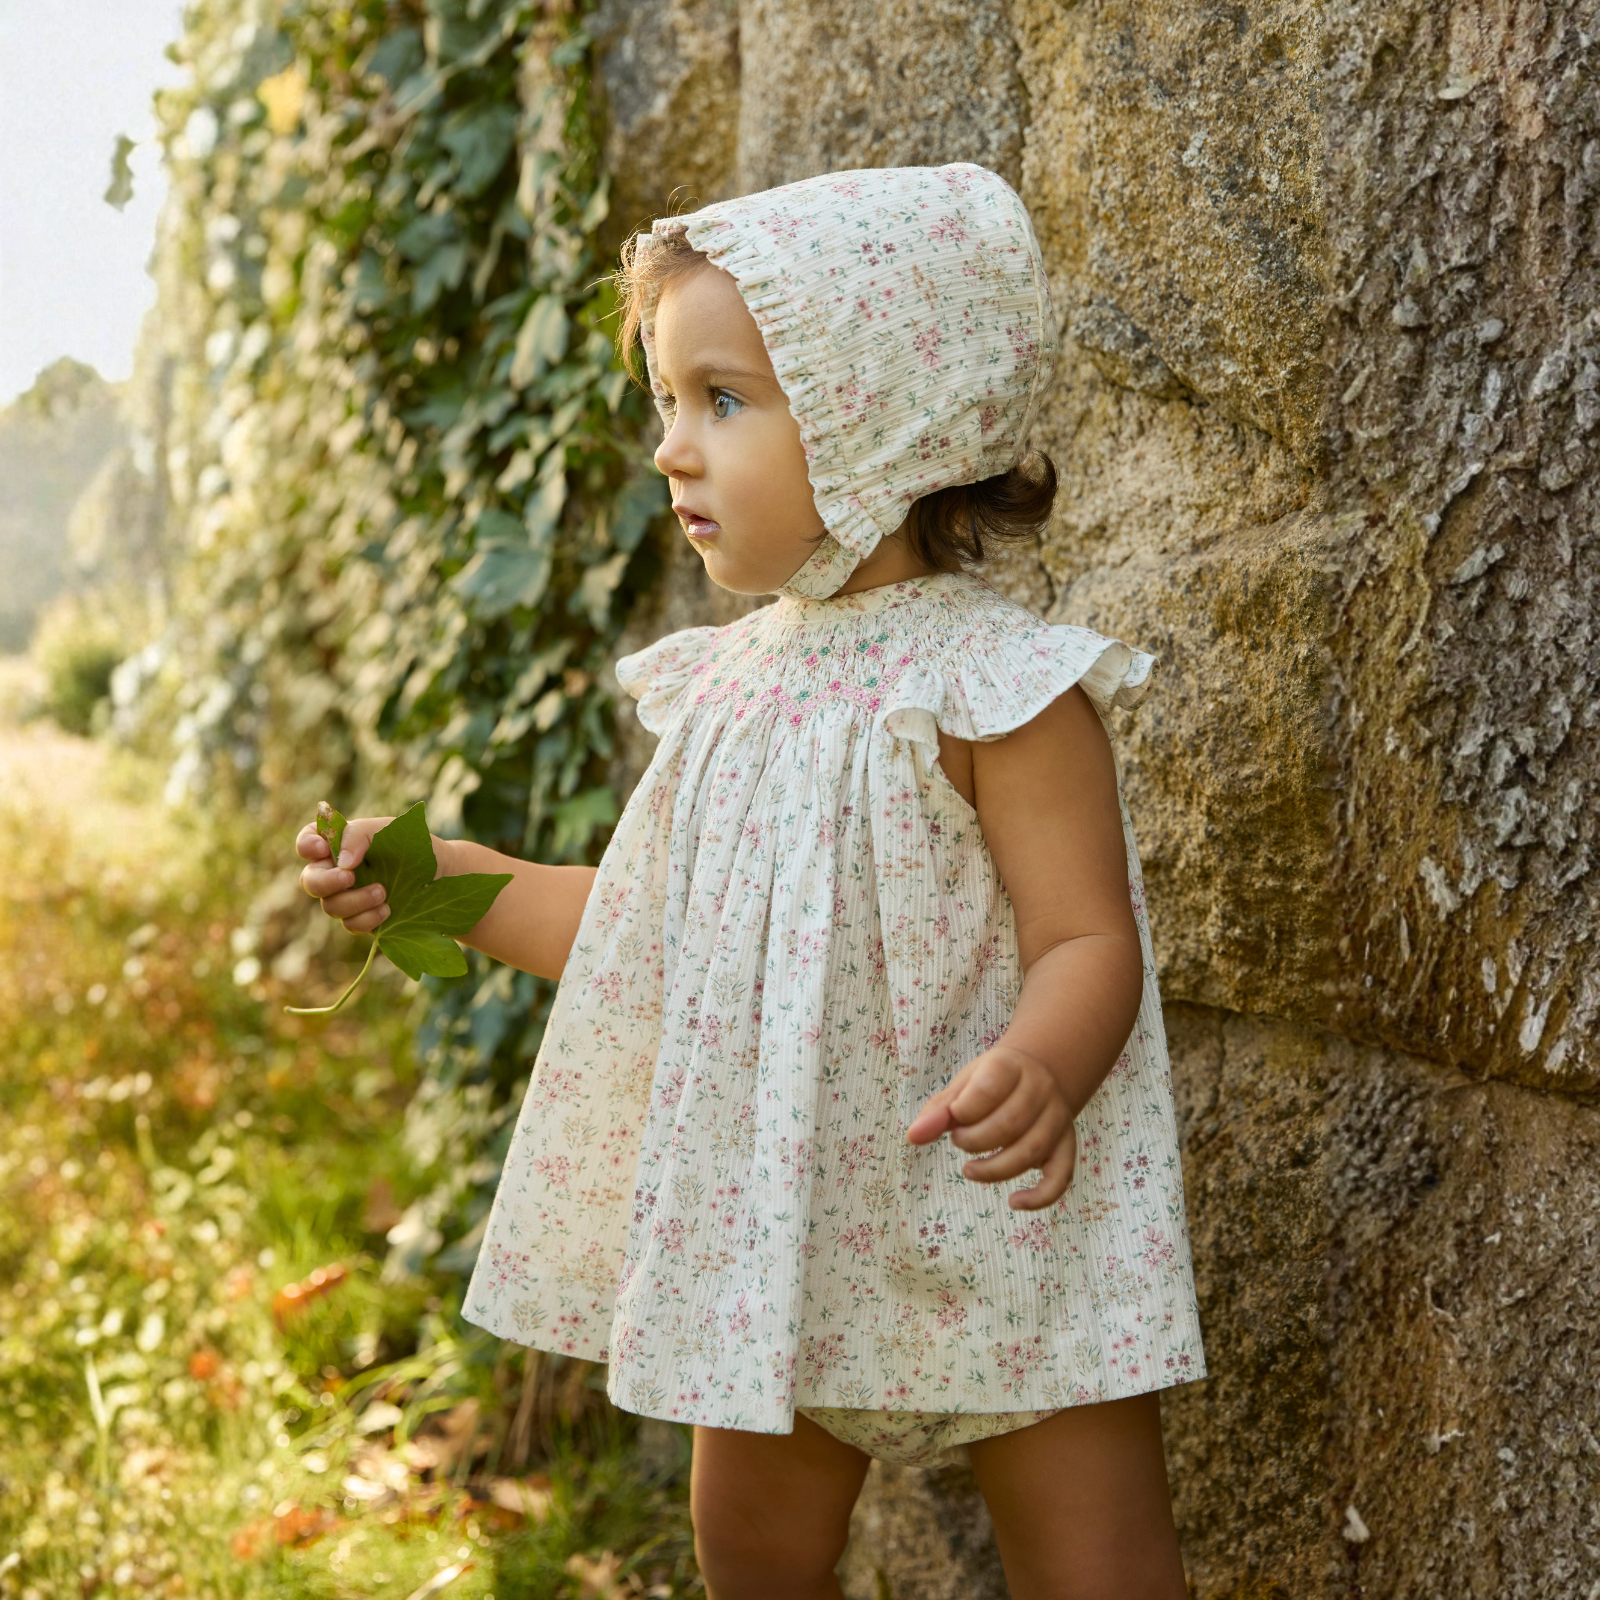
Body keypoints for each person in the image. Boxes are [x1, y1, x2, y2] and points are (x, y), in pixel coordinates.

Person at [297, 163, 1204, 1600]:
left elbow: (1086, 935)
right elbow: (648, 935)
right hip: (782, 1220)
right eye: (668, 400)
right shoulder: (725, 693)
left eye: (722, 401)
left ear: (879, 417)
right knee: (752, 1548)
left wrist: (1044, 1060)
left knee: (1098, 1568)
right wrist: (454, 881)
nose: (671, 449)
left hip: (1003, 1219)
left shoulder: (999, 691)